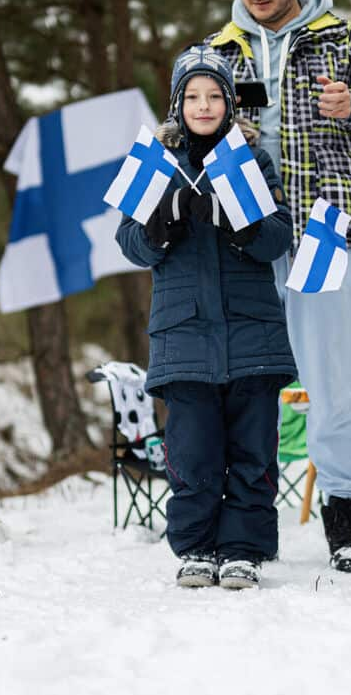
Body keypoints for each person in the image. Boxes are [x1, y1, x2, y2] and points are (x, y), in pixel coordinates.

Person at [207, 0, 351, 572]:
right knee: (245, 383)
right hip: (245, 237)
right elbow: (186, 129)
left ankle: (344, 510)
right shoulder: (218, 53)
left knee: (330, 379)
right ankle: (242, 519)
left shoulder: (342, 39)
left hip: (325, 228)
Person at [115, 45, 295, 590]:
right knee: (192, 454)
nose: (204, 104)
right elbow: (129, 242)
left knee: (251, 451)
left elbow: (277, 236)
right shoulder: (156, 165)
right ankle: (196, 547)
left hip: (251, 336)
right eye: (192, 95)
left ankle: (242, 548)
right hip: (184, 339)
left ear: (231, 101)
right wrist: (159, 225)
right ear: (177, 103)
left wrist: (240, 224)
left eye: (215, 95)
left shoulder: (252, 160)